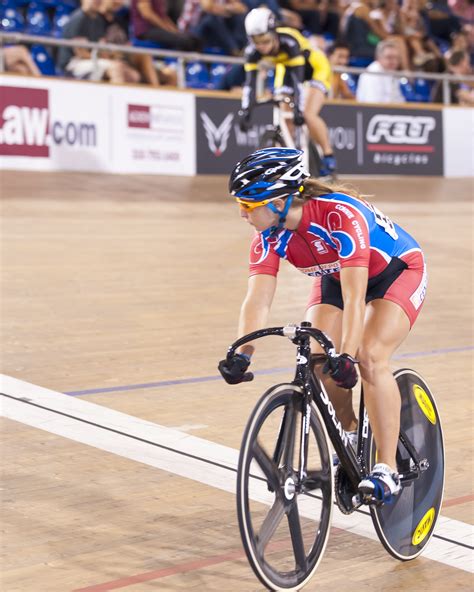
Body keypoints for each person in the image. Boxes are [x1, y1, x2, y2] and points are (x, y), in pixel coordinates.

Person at [218, 147, 428, 503]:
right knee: (318, 361)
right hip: (334, 274)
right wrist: (242, 351)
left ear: (281, 200)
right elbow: (258, 298)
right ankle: (348, 439)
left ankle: (387, 469)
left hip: (396, 272)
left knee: (369, 356)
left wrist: (347, 354)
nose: (241, 213)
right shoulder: (268, 236)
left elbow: (355, 293)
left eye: (249, 205)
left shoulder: (339, 215)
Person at [239, 7, 337, 178]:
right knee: (285, 115)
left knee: (307, 114)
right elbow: (250, 84)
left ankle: (328, 155)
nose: (261, 46)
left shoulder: (289, 41)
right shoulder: (251, 53)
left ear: (274, 33)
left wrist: (299, 109)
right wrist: (246, 109)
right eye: (256, 41)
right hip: (286, 68)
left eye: (265, 40)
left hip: (314, 68)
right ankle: (289, 156)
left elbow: (299, 81)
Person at [57, 0, 141, 83]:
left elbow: (101, 47)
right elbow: (81, 53)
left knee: (133, 75)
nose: (97, 1)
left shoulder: (98, 20)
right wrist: (106, 59)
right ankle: (116, 96)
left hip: (92, 59)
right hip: (73, 63)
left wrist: (111, 56)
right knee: (115, 68)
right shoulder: (78, 18)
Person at [100, 0, 177, 86]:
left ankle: (157, 90)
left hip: (126, 55)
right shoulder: (98, 20)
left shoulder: (120, 19)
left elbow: (128, 43)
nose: (117, 2)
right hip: (114, 58)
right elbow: (101, 49)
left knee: (172, 75)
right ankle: (155, 89)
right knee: (136, 67)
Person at [130, 0, 201, 51]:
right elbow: (147, 14)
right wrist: (166, 28)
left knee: (194, 40)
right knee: (185, 41)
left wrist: (175, 31)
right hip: (146, 30)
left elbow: (163, 17)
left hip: (158, 30)